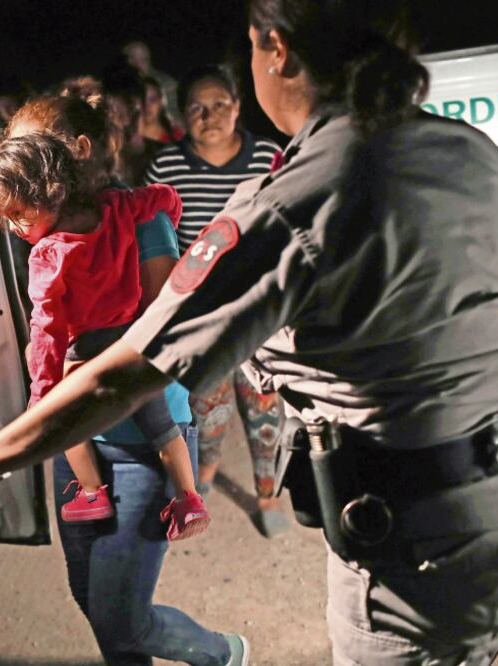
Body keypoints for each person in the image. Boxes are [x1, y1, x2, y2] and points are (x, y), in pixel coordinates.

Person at [0, 0, 498, 663]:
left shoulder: (293, 201)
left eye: (249, 48)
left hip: (406, 555)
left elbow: (129, 371)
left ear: (277, 49)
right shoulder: (470, 154)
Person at [0, 94, 250, 664]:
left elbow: (159, 328)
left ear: (78, 152)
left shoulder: (141, 217)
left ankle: (219, 653)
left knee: (120, 621)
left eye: (36, 148)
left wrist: (79, 365)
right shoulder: (43, 238)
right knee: (91, 599)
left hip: (143, 440)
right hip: (78, 435)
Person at [0, 132, 209, 537]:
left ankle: (90, 492)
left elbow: (47, 330)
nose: (14, 228)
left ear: (47, 191)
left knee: (67, 423)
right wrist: (171, 212)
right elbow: (159, 197)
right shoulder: (116, 208)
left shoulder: (48, 255)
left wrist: (42, 394)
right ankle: (188, 498)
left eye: (18, 214)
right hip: (133, 346)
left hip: (86, 351)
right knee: (163, 428)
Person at [144, 64, 289, 538]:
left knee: (265, 406)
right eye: (197, 108)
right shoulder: (165, 166)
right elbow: (158, 240)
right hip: (200, 314)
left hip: (260, 308)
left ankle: (267, 496)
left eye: (219, 105)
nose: (210, 116)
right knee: (207, 407)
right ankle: (203, 479)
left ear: (237, 107)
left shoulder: (269, 156)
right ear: (182, 115)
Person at [124, 40, 181, 126]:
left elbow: (177, 118)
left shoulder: (167, 84)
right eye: (132, 58)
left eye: (143, 59)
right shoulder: (119, 87)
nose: (137, 63)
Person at [141, 75, 185, 145]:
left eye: (152, 100)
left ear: (161, 102)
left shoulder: (177, 136)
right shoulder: (127, 139)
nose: (147, 106)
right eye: (142, 100)